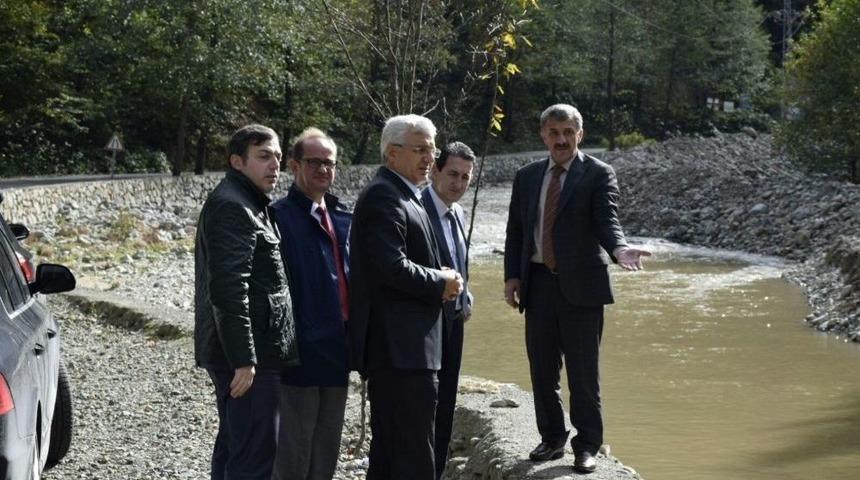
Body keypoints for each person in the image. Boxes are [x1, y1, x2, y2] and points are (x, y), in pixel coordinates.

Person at [503, 104, 650, 473]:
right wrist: (512, 276)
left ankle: (587, 446)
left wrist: (619, 249)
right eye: (554, 133)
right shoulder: (527, 176)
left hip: (582, 288)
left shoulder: (598, 174)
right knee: (542, 370)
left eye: (568, 132)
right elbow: (516, 231)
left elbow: (607, 221)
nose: (562, 140)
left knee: (583, 374)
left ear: (579, 135)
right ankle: (552, 438)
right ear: (543, 136)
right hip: (536, 284)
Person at [348, 114, 464, 480]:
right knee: (411, 452)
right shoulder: (385, 195)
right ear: (392, 153)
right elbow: (391, 267)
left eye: (432, 148)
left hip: (409, 349)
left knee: (394, 451)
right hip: (399, 350)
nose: (430, 156)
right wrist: (440, 281)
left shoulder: (405, 194)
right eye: (421, 149)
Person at [194, 124, 298, 480]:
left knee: (236, 447)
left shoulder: (249, 202)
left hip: (253, 351)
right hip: (248, 357)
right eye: (264, 156)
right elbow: (227, 288)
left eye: (278, 157)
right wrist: (244, 359)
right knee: (253, 457)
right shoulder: (233, 206)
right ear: (237, 161)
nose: (275, 165)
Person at [271, 128, 351, 480]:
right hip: (299, 352)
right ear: (294, 165)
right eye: (314, 162)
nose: (323, 169)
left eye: (329, 163)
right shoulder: (278, 218)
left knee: (326, 447)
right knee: (294, 449)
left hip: (339, 348)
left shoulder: (342, 218)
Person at [420, 141, 474, 480]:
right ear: (435, 170)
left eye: (466, 177)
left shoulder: (457, 212)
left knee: (447, 406)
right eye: (452, 173)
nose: (458, 183)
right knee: (425, 406)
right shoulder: (418, 209)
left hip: (454, 320)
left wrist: (466, 293)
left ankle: (436, 472)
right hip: (424, 325)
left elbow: (456, 260)